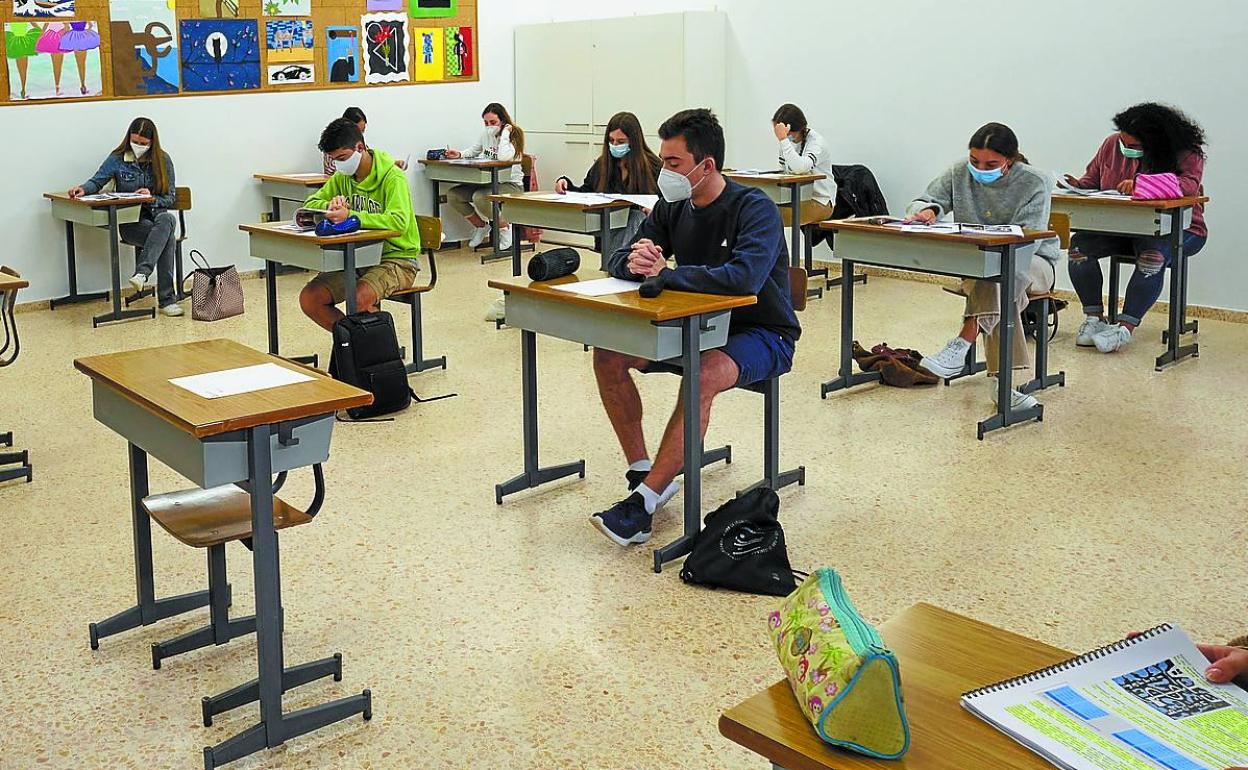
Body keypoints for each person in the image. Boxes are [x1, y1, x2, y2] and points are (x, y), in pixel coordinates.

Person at [590, 108, 801, 547]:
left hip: (762, 335)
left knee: (702, 372)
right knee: (609, 354)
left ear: (706, 166)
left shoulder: (754, 208)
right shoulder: (672, 207)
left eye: (673, 164)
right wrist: (633, 260)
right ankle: (645, 471)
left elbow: (743, 278)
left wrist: (665, 274)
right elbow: (621, 257)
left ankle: (643, 504)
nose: (664, 172)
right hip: (697, 327)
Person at [908, 123, 1059, 410]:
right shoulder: (958, 172)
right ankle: (1003, 387)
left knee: (1001, 275)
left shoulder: (1035, 181)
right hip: (981, 262)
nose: (980, 168)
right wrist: (928, 210)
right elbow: (924, 200)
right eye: (975, 161)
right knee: (996, 280)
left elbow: (1030, 239)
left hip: (1034, 262)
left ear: (1010, 160)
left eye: (991, 164)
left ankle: (963, 342)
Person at [1063, 103, 1208, 353]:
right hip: (1122, 228)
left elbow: (1189, 186)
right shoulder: (1111, 145)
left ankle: (1123, 328)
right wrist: (1077, 185)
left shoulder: (1186, 152)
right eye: (1124, 143)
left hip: (1180, 231)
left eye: (1135, 147)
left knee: (1153, 253)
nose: (1127, 150)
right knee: (1078, 247)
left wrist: (1142, 184)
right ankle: (1095, 319)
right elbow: (1093, 180)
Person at [299, 117, 421, 331]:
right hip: (356, 258)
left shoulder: (392, 178)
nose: (339, 164)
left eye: (342, 157)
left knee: (358, 300)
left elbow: (399, 222)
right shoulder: (343, 177)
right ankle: (356, 346)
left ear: (360, 147)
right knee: (310, 298)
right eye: (334, 159)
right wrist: (330, 206)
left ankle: (379, 352)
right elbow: (311, 202)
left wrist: (353, 216)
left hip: (396, 259)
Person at [69, 117, 184, 317]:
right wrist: (82, 189)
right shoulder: (117, 158)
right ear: (128, 138)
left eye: (143, 143)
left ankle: (142, 273)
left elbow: (170, 197)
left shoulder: (163, 160)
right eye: (135, 141)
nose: (138, 146)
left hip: (157, 220)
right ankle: (166, 300)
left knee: (168, 221)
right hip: (131, 224)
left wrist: (150, 197)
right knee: (167, 236)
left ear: (151, 142)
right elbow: (97, 181)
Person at [554, 110, 662, 248]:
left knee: (635, 218)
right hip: (609, 224)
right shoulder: (603, 164)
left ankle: (618, 263)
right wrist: (566, 184)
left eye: (621, 141)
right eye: (611, 141)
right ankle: (615, 263)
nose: (615, 145)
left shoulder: (653, 166)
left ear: (633, 141)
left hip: (640, 228)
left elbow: (666, 202)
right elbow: (588, 192)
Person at [443, 102, 525, 253]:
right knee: (454, 195)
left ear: (503, 121)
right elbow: (474, 150)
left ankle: (505, 228)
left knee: (481, 197)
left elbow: (503, 157)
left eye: (493, 122)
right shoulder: (485, 134)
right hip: (487, 180)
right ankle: (481, 226)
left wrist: (505, 134)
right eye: (486, 123)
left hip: (510, 183)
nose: (489, 126)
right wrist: (459, 154)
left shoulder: (514, 135)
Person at [772, 103, 838, 229]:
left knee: (769, 215)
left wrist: (783, 140)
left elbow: (800, 168)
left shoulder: (816, 143)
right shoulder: (787, 143)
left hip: (821, 202)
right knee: (762, 207)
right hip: (796, 198)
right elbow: (783, 171)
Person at [322, 107, 407, 175]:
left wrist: (393, 164)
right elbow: (332, 174)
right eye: (357, 131)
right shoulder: (333, 146)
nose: (359, 135)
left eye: (362, 131)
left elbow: (371, 165)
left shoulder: (360, 146)